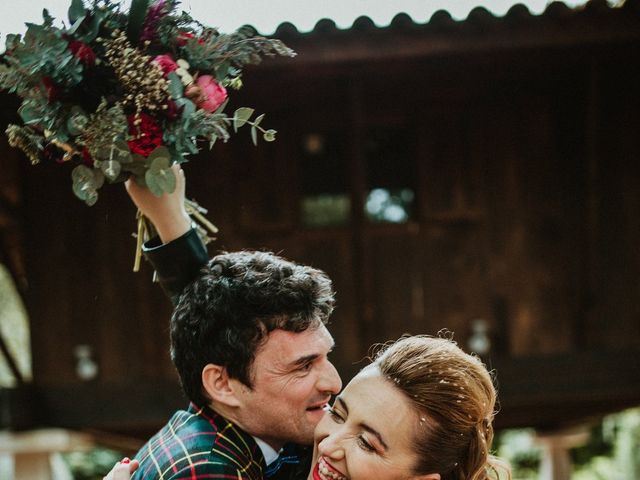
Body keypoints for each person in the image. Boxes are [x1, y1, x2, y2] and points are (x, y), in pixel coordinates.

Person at [124, 168, 342, 479]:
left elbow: (208, 308)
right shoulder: (209, 471)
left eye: (325, 357)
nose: (334, 383)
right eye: (303, 366)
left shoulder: (230, 428)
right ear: (223, 384)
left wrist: (170, 221)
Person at [106, 335, 510, 480]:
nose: (331, 444)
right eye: (338, 413)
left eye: (368, 444)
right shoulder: (292, 460)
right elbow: (236, 339)